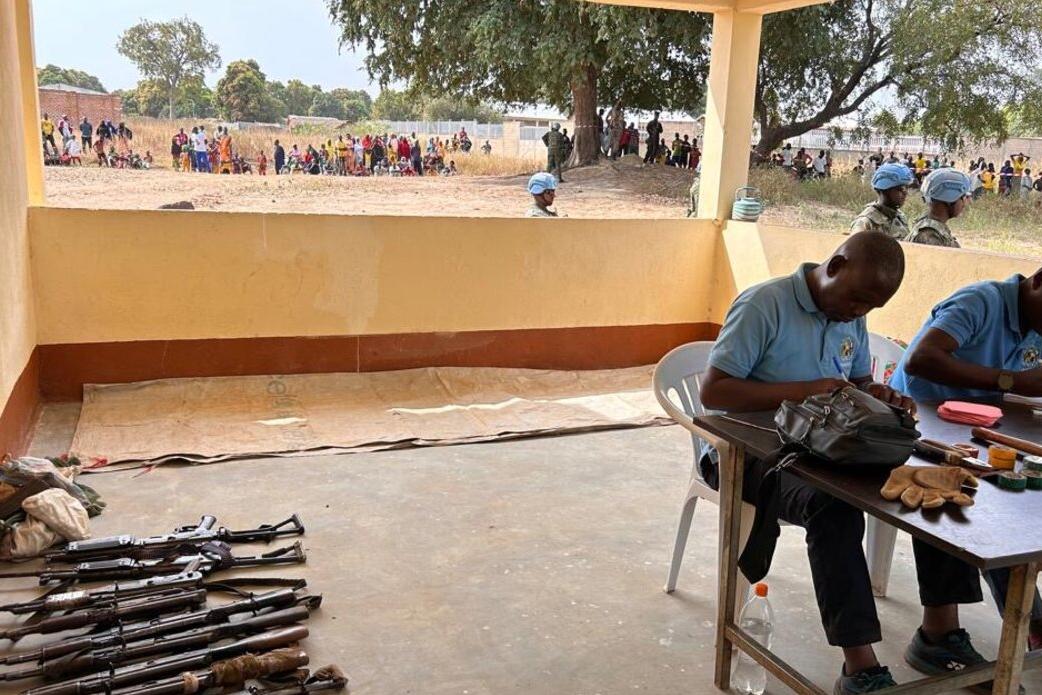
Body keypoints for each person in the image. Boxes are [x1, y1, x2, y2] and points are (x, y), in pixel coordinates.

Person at [700, 232, 989, 695]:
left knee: (932, 482)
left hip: (827, 446)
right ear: (834, 266)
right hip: (750, 451)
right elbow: (714, 392)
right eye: (856, 300)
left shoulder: (849, 312)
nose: (859, 312)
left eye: (870, 307)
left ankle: (939, 632)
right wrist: (809, 389)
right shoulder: (764, 305)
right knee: (832, 506)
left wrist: (878, 394)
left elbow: (854, 382)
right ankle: (860, 666)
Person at [888, 270, 1042, 654]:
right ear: (1039, 281)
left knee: (1019, 496)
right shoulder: (981, 302)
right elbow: (921, 359)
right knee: (944, 491)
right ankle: (938, 634)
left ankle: (1030, 618)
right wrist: (1012, 381)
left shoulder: (1036, 322)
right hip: (918, 426)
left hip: (981, 432)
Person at [906, 169, 971, 248]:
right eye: (964, 197)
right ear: (950, 199)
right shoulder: (929, 235)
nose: (967, 202)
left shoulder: (934, 227)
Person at [849, 163, 914, 239]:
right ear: (885, 190)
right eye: (901, 188)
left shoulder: (900, 217)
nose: (905, 193)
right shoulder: (865, 222)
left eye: (907, 188)